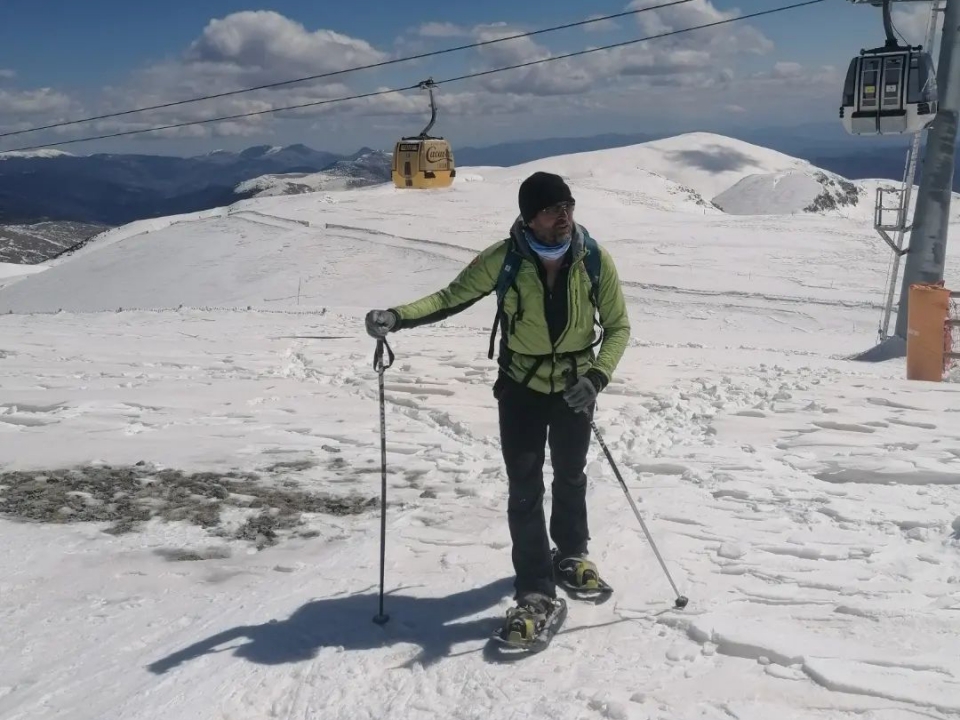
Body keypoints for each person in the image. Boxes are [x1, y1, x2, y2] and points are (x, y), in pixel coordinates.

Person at [365, 171, 630, 637]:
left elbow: (618, 326)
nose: (564, 215)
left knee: (571, 473)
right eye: (552, 208)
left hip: (575, 387)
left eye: (568, 205)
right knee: (524, 487)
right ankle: (535, 589)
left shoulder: (592, 258)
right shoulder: (505, 258)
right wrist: (397, 317)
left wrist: (596, 377)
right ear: (530, 218)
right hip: (520, 388)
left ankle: (571, 553)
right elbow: (451, 297)